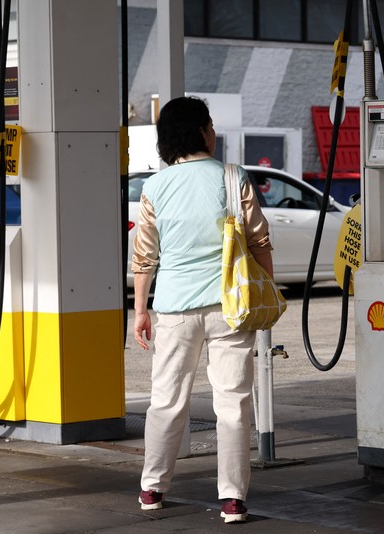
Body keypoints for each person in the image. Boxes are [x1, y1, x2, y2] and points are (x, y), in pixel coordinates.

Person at [132, 96, 273, 524]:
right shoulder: (233, 178)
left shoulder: (155, 187)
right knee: (232, 404)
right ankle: (232, 500)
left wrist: (141, 310)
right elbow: (260, 243)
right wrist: (264, 294)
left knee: (167, 402)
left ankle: (153, 488)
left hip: (174, 310)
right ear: (202, 131)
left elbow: (144, 258)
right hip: (229, 307)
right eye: (210, 125)